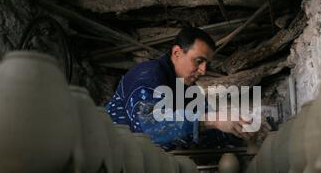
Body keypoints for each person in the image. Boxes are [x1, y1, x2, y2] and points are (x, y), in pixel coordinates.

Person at [105, 27, 268, 150]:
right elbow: (149, 128)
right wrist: (214, 120)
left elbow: (210, 133)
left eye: (207, 64)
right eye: (198, 61)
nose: (203, 70)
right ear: (177, 53)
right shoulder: (146, 76)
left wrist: (241, 130)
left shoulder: (188, 91)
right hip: (113, 165)